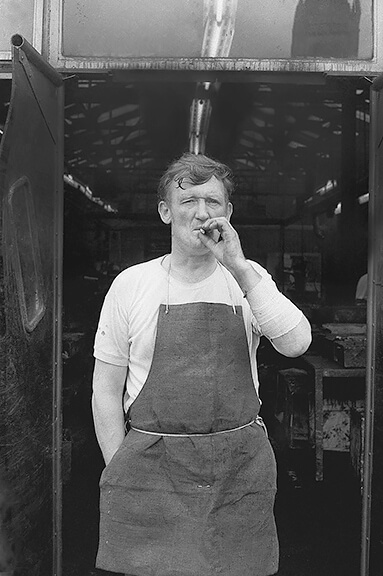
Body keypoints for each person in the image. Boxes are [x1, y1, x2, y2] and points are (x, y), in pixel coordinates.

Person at [92, 153, 312, 576]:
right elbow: (105, 387)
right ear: (165, 212)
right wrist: (120, 465)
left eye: (212, 202)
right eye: (188, 200)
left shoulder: (249, 279)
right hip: (151, 469)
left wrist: (241, 269)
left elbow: (297, 343)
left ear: (228, 213)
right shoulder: (132, 285)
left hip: (237, 469)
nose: (201, 213)